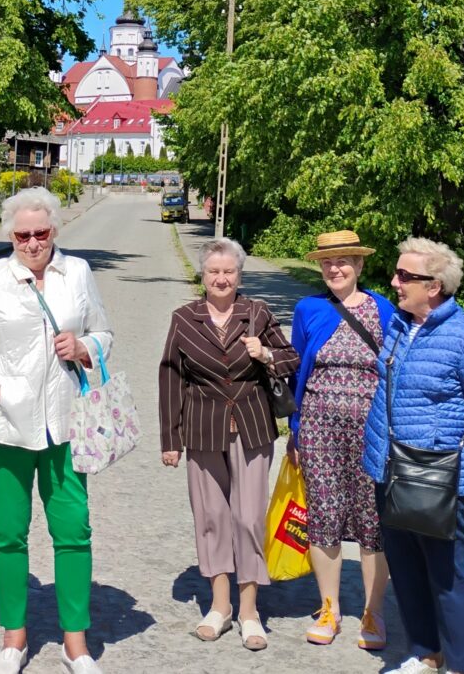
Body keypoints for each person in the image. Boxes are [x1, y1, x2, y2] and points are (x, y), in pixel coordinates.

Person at [0, 187, 112, 674]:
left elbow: (105, 333)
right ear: (10, 235)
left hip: (65, 425)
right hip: (7, 427)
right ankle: (13, 637)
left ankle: (75, 642)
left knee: (74, 532)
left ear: (55, 230)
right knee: (8, 535)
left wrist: (83, 347)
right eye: (23, 234)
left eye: (41, 232)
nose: (33, 242)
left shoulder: (77, 272)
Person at [363, 237, 464, 674]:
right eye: (396, 272)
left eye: (404, 276)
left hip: (438, 481)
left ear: (434, 286)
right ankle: (425, 653)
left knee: (448, 580)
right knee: (406, 572)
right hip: (390, 471)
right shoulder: (399, 324)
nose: (394, 282)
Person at [157, 237, 300, 651]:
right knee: (211, 517)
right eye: (213, 272)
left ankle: (251, 610)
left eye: (229, 272)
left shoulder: (257, 313)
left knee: (249, 518)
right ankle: (220, 605)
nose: (221, 279)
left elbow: (291, 358)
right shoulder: (184, 318)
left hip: (252, 426)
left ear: (240, 274)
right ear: (203, 275)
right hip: (201, 428)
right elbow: (170, 377)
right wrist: (171, 437)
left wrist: (267, 355)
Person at [288, 230, 396, 650]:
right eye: (328, 262)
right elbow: (298, 369)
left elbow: (393, 369)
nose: (336, 268)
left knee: (373, 522)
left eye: (344, 261)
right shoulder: (308, 309)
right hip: (317, 428)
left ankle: (374, 612)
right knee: (325, 515)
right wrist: (294, 431)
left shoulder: (383, 309)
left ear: (361, 265)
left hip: (372, 433)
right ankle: (329, 608)